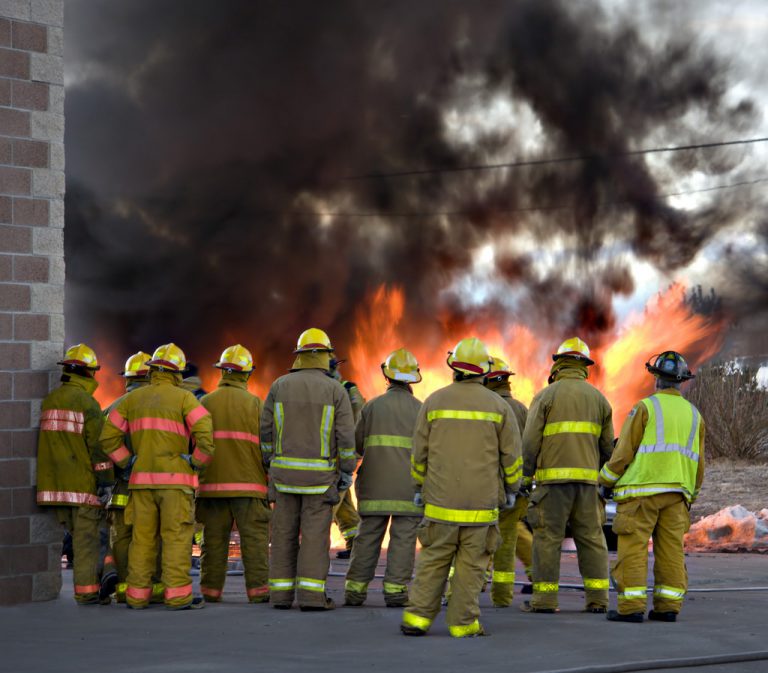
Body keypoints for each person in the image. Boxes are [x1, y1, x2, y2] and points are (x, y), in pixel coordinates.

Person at [402, 338, 522, 638]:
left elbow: (419, 453)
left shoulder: (434, 401)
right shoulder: (499, 406)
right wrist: (511, 489)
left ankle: (416, 619)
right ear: (484, 372)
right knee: (471, 568)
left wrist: (419, 485)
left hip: (440, 502)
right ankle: (462, 624)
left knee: (432, 561)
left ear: (454, 368)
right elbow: (511, 457)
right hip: (481, 507)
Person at [101, 343, 215, 610]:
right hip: (176, 484)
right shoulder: (185, 398)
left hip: (140, 484)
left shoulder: (131, 399)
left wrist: (127, 462)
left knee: (142, 539)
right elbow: (206, 440)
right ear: (177, 372)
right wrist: (194, 462)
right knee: (175, 538)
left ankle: (136, 596)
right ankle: (177, 597)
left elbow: (107, 438)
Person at [599, 351, 705, 623]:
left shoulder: (645, 408)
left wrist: (605, 480)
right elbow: (699, 464)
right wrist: (690, 494)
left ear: (656, 378)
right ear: (682, 381)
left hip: (641, 495)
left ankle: (631, 608)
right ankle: (667, 607)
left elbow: (623, 453)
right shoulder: (695, 416)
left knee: (633, 548)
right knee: (671, 550)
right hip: (677, 495)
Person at [261, 328, 356, 610]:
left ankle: (280, 596)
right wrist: (347, 471)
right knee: (315, 538)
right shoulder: (335, 390)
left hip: (284, 477)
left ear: (300, 356)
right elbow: (346, 437)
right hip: (319, 478)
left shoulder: (279, 386)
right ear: (325, 356)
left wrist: (271, 463)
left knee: (282, 536)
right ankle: (312, 597)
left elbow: (265, 431)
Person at [521, 337, 613, 614]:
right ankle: (598, 600)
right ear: (584, 365)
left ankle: (545, 601)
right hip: (587, 486)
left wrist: (525, 477)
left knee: (547, 540)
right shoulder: (599, 399)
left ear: (558, 364)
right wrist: (606, 479)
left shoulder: (546, 396)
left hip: (552, 485)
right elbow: (608, 446)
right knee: (592, 539)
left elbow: (529, 442)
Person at [344, 348, 423, 607]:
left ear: (387, 376)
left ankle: (355, 592)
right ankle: (396, 593)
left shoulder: (372, 407)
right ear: (412, 379)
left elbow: (356, 444)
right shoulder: (421, 410)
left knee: (367, 538)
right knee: (403, 540)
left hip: (375, 488)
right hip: (408, 490)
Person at [36, 344, 114, 605]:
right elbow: (99, 449)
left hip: (54, 487)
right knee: (87, 544)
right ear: (88, 373)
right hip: (81, 488)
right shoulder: (87, 403)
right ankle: (87, 593)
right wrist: (105, 483)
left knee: (74, 540)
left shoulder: (51, 400)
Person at [197, 344, 270, 604]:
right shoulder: (255, 404)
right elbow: (267, 447)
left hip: (212, 487)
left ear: (222, 372)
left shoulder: (204, 403)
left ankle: (210, 592)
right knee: (254, 542)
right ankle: (258, 593)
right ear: (247, 374)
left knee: (214, 542)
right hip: (249, 487)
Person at [103, 351, 163, 604]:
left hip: (123, 487)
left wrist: (125, 463)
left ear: (127, 379)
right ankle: (156, 588)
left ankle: (126, 588)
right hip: (156, 484)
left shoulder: (114, 407)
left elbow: (104, 444)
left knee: (123, 538)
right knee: (154, 536)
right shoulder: (165, 404)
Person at [484, 356, 530, 607]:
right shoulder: (522, 409)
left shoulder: (485, 407)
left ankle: (461, 591)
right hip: (517, 490)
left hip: (487, 489)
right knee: (507, 543)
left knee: (475, 541)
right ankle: (502, 597)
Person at [327, 354, 364, 559]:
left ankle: (313, 548)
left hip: (341, 456)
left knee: (330, 503)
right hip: (334, 455)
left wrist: (353, 455)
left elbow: (356, 420)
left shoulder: (348, 390)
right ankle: (355, 543)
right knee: (344, 502)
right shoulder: (330, 389)